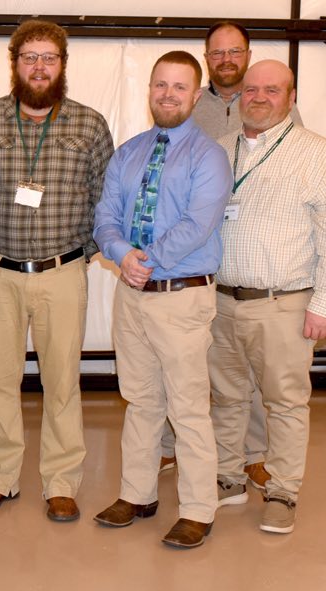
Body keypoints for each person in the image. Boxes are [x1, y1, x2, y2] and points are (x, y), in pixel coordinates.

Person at [0, 20, 114, 522]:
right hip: (0, 272)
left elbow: (103, 200)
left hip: (63, 273)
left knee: (62, 382)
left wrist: (85, 253)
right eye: (30, 56)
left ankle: (62, 481)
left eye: (49, 57)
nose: (40, 66)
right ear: (15, 62)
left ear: (63, 64)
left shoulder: (90, 125)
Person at [92, 51, 231, 549]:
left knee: (189, 406)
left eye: (179, 87)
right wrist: (120, 252)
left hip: (181, 297)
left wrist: (143, 257)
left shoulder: (209, 155)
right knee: (141, 400)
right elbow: (105, 213)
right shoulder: (128, 152)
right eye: (160, 85)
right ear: (149, 89)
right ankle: (138, 493)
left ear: (195, 96)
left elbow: (199, 224)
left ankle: (197, 508)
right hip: (131, 296)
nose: (168, 94)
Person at [159, 20, 304, 479]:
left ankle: (255, 455)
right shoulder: (188, 104)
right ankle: (176, 444)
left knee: (258, 380)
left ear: (246, 54)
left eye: (234, 52)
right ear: (207, 58)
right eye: (217, 53)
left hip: (262, 273)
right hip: (203, 271)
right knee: (197, 370)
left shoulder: (276, 107)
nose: (226, 60)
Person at [209, 60, 326, 535]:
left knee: (286, 402)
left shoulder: (316, 154)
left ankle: (282, 490)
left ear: (291, 98)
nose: (258, 97)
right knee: (227, 397)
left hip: (285, 304)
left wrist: (322, 304)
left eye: (271, 90)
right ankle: (229, 477)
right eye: (251, 89)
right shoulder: (219, 151)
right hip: (220, 301)